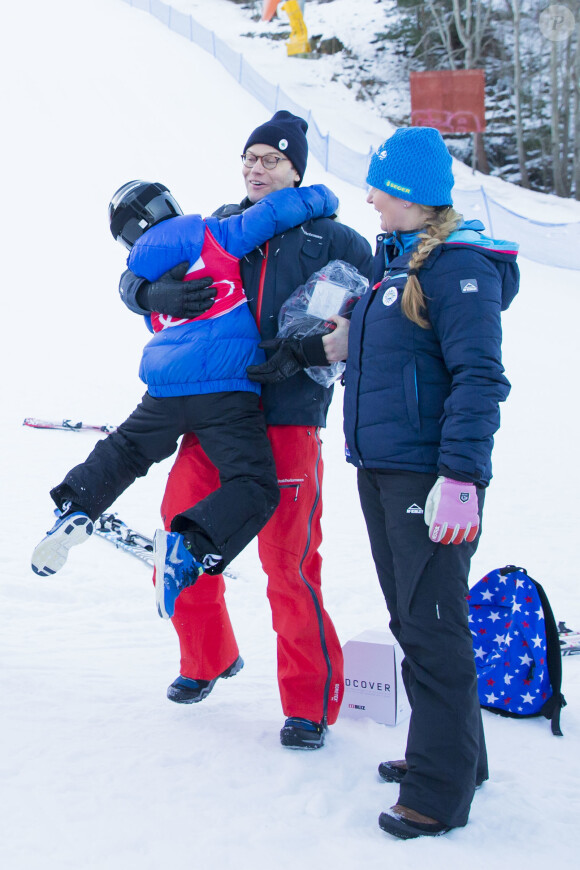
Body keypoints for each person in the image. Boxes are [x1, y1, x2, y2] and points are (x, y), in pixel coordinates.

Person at [119, 110, 374, 748]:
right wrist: (151, 297)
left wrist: (309, 352)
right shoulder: (223, 224)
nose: (258, 169)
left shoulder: (336, 240)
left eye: (272, 160)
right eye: (251, 158)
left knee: (286, 562)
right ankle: (205, 658)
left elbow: (363, 320)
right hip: (213, 415)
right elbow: (133, 271)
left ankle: (309, 704)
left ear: (297, 170)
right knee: (180, 536)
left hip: (288, 418)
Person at [31, 176, 340, 623]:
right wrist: (323, 197)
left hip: (164, 388)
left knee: (128, 449)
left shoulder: (141, 269)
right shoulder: (214, 232)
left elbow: (152, 318)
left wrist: (147, 293)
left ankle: (76, 505)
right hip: (225, 388)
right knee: (253, 484)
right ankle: (191, 545)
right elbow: (275, 212)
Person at [339, 127, 519, 837]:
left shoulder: (457, 269)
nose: (372, 197)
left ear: (411, 195)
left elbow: (481, 377)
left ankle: (437, 792)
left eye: (380, 186)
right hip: (383, 469)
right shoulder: (401, 265)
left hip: (430, 475)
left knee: (433, 625)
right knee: (415, 619)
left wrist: (461, 477)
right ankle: (454, 754)